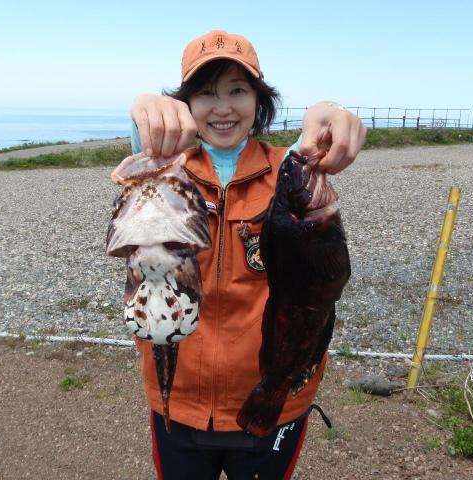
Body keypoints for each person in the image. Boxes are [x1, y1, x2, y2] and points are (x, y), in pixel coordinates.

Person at [129, 30, 366, 480]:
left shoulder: (288, 171)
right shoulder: (164, 172)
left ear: (260, 100)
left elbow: (320, 134)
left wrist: (330, 111)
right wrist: (144, 107)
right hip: (177, 401)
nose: (222, 107)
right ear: (185, 105)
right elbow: (140, 139)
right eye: (205, 93)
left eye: (238, 90)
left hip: (276, 400)